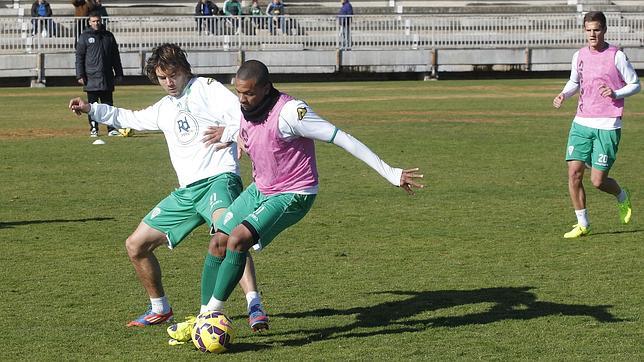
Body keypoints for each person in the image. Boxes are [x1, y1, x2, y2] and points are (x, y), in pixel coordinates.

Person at [166, 59, 423, 340]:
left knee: (237, 240)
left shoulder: (292, 113)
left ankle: (210, 317)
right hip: (261, 188)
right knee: (218, 240)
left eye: (249, 93)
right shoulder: (245, 108)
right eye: (238, 92)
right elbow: (247, 129)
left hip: (294, 193)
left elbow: (343, 138)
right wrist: (229, 134)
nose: (242, 99)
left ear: (266, 88)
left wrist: (391, 173)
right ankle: (203, 316)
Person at [68, 43, 269, 331]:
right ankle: (160, 308)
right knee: (135, 245)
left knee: (230, 236)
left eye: (173, 75)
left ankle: (254, 304)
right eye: (162, 78)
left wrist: (234, 134)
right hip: (187, 192)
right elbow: (131, 118)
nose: (169, 82)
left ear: (185, 70)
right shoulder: (164, 108)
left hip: (218, 180)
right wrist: (92, 108)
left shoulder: (207, 89)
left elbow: (240, 114)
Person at [553, 11, 640, 238]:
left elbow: (635, 84)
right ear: (584, 30)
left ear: (604, 30)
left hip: (608, 124)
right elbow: (574, 80)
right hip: (581, 121)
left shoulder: (616, 56)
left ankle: (621, 195)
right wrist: (564, 94)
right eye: (589, 30)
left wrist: (615, 92)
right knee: (574, 173)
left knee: (598, 181)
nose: (593, 34)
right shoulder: (579, 55)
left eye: (597, 29)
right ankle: (583, 224)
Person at [75, 11, 123, 137]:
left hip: (106, 77)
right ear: (89, 22)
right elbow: (79, 57)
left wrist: (119, 73)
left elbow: (115, 57)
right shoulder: (84, 37)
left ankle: (111, 129)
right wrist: (80, 75)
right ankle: (94, 128)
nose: (96, 23)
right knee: (91, 106)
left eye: (98, 21)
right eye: (94, 21)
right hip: (91, 78)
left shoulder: (108, 36)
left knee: (108, 105)